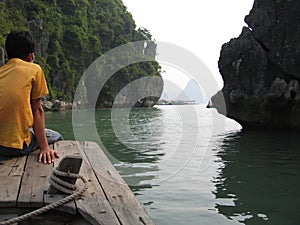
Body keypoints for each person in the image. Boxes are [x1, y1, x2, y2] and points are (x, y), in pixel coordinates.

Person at [0, 30, 62, 163]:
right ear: (31, 56)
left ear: (7, 53)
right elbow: (37, 110)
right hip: (15, 147)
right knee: (56, 136)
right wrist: (44, 147)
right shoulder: (34, 70)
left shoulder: (2, 72)